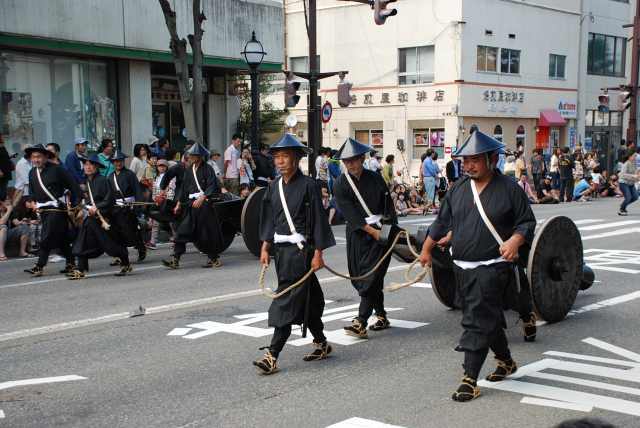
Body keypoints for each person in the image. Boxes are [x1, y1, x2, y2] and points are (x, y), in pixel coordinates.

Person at [419, 131, 537, 402]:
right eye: (465, 160)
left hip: (493, 267)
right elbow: (442, 221)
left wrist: (515, 240)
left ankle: (469, 379)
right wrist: (426, 248)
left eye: (475, 160)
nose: (468, 166)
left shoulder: (509, 189)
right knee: (487, 318)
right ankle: (505, 361)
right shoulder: (458, 189)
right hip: (462, 268)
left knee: (476, 320)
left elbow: (526, 222)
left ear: (492, 159)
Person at [253, 134, 335, 375]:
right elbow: (269, 219)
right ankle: (321, 343)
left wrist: (318, 253)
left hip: (302, 253)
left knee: (286, 302)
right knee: (308, 300)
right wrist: (265, 246)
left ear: (296, 159)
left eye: (285, 156)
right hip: (282, 253)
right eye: (277, 157)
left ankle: (272, 355)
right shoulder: (273, 187)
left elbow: (319, 220)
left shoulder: (309, 185)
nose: (280, 161)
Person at [332, 138, 398, 338]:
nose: (351, 164)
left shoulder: (375, 178)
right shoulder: (340, 184)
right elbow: (350, 214)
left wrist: (389, 230)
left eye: (354, 160)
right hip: (358, 233)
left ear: (362, 159)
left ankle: (360, 321)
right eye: (346, 161)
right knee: (360, 275)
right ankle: (382, 315)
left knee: (372, 276)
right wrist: (371, 231)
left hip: (381, 231)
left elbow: (388, 206)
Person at [162, 143, 225, 269]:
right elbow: (184, 188)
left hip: (204, 205)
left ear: (199, 156)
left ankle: (214, 258)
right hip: (191, 204)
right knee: (182, 231)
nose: (190, 157)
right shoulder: (189, 170)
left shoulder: (208, 169)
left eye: (193, 155)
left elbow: (212, 185)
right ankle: (175, 259)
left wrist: (203, 198)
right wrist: (179, 203)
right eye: (190, 155)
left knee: (205, 233)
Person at [22, 144, 81, 277]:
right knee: (62, 238)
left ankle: (40, 265)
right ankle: (71, 263)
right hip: (42, 210)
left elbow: (73, 185)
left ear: (46, 157)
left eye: (39, 157)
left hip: (56, 209)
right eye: (33, 157)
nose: (36, 160)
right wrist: (31, 201)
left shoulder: (57, 169)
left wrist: (76, 204)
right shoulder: (32, 172)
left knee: (46, 236)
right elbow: (32, 191)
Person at [69, 155, 132, 279]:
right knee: (82, 241)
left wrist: (97, 207)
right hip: (91, 219)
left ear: (97, 167)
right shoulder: (87, 182)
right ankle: (80, 269)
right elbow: (86, 200)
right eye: (86, 164)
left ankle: (125, 262)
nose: (88, 167)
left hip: (104, 218)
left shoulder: (103, 180)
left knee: (110, 245)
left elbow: (110, 199)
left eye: (91, 164)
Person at [107, 151, 147, 262]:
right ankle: (120, 255)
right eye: (115, 161)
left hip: (129, 207)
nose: (118, 163)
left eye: (120, 161)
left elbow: (137, 190)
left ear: (123, 161)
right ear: (112, 163)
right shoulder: (110, 177)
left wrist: (137, 206)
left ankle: (141, 247)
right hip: (116, 208)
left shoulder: (130, 174)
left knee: (131, 230)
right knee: (116, 231)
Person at [618, 150, 639, 216]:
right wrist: (633, 176)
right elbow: (622, 175)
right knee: (628, 197)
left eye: (636, 156)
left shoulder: (635, 164)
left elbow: (636, 174)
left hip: (631, 183)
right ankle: (622, 209)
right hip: (623, 183)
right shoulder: (626, 164)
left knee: (635, 197)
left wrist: (637, 178)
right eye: (634, 156)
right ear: (630, 157)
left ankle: (623, 205)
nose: (635, 157)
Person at [0, 135, 12, 201]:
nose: (3, 138)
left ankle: (3, 202)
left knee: (4, 188)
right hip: (1, 172)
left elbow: (5, 157)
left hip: (6, 171)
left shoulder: (3, 147)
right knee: (2, 190)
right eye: (2, 137)